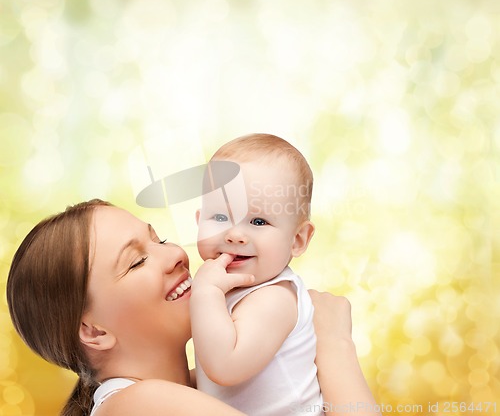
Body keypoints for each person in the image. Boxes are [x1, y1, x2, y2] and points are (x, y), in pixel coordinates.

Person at [7, 199, 380, 416]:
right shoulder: (138, 405)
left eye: (160, 239)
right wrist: (333, 344)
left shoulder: (210, 387)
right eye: (136, 262)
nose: (173, 255)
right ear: (94, 331)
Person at [191, 134, 322, 414]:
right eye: (221, 217)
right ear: (199, 220)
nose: (236, 234)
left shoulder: (275, 298)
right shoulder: (228, 288)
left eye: (258, 221)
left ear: (297, 239)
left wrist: (206, 293)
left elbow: (225, 367)